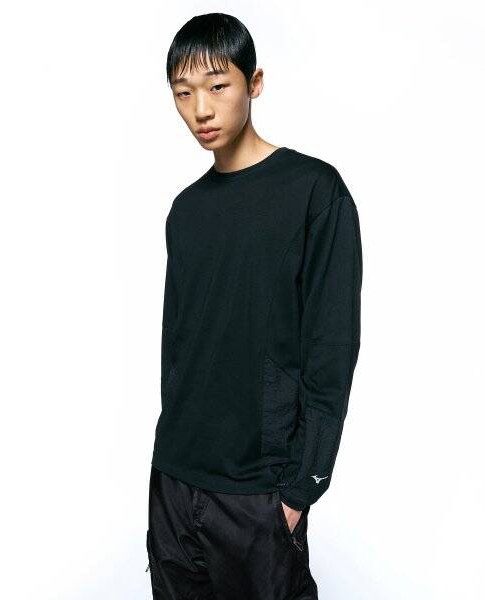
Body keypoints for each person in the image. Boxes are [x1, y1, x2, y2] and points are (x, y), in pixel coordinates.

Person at [146, 12, 362, 599]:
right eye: (183, 93)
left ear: (255, 82)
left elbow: (332, 345)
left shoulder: (314, 191)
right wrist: (167, 461)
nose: (201, 109)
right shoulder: (185, 210)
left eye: (218, 86)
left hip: (259, 492)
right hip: (175, 479)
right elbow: (177, 346)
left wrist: (301, 489)